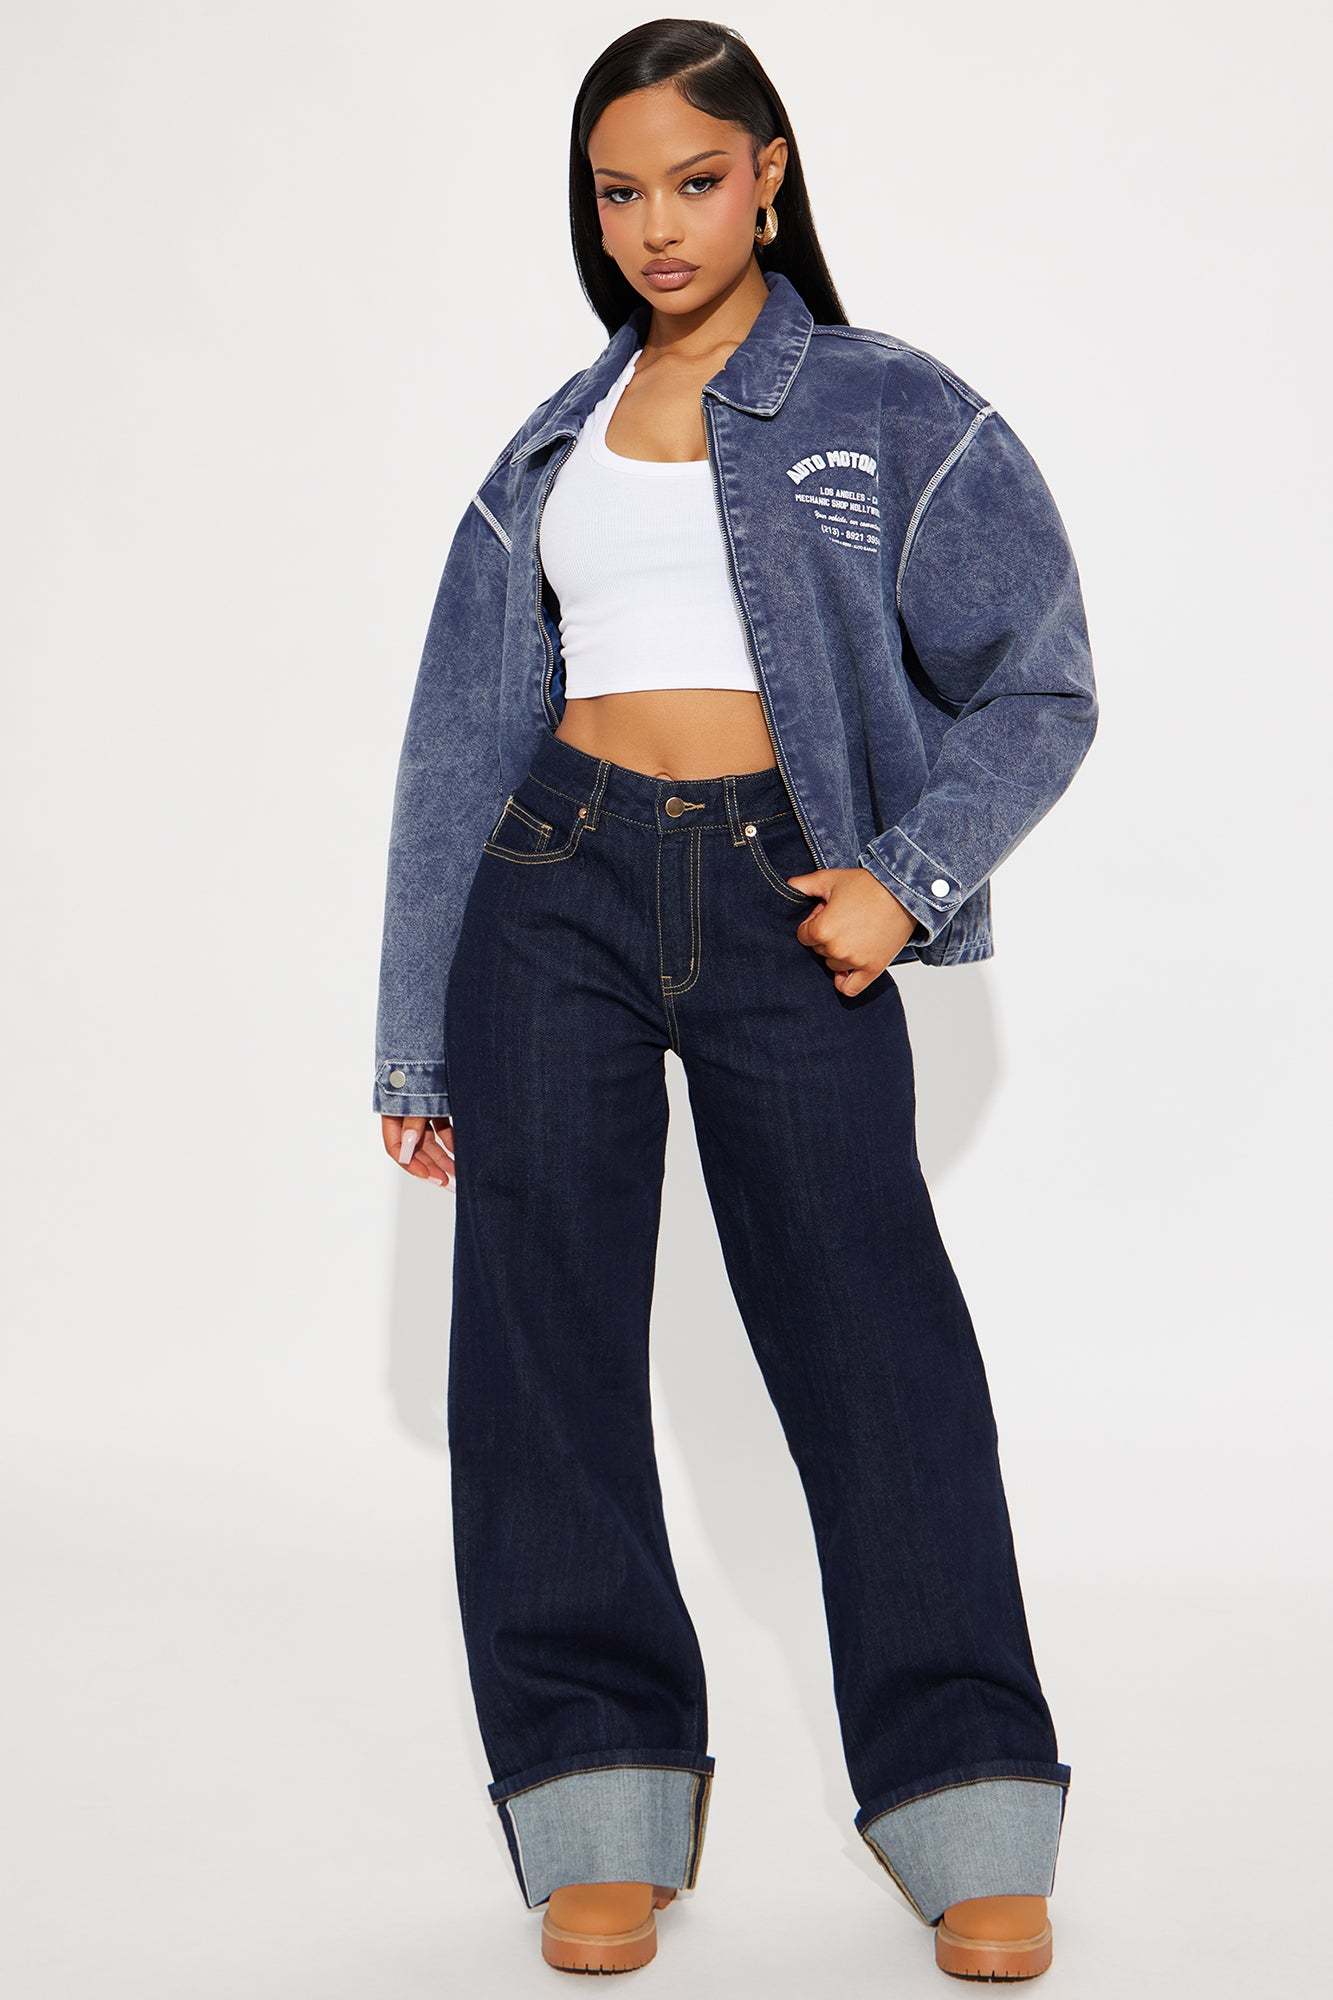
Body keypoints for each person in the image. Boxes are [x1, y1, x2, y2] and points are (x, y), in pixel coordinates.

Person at [372, 19, 1097, 1984]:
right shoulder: (548, 441)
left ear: (768, 177)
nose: (656, 227)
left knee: (874, 1346)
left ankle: (966, 1812)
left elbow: (1038, 679)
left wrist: (903, 877)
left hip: (792, 898)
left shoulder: (889, 407)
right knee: (538, 1357)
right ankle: (597, 1812)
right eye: (619, 191)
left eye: (694, 181)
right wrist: (416, 1030)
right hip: (553, 885)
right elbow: (455, 752)